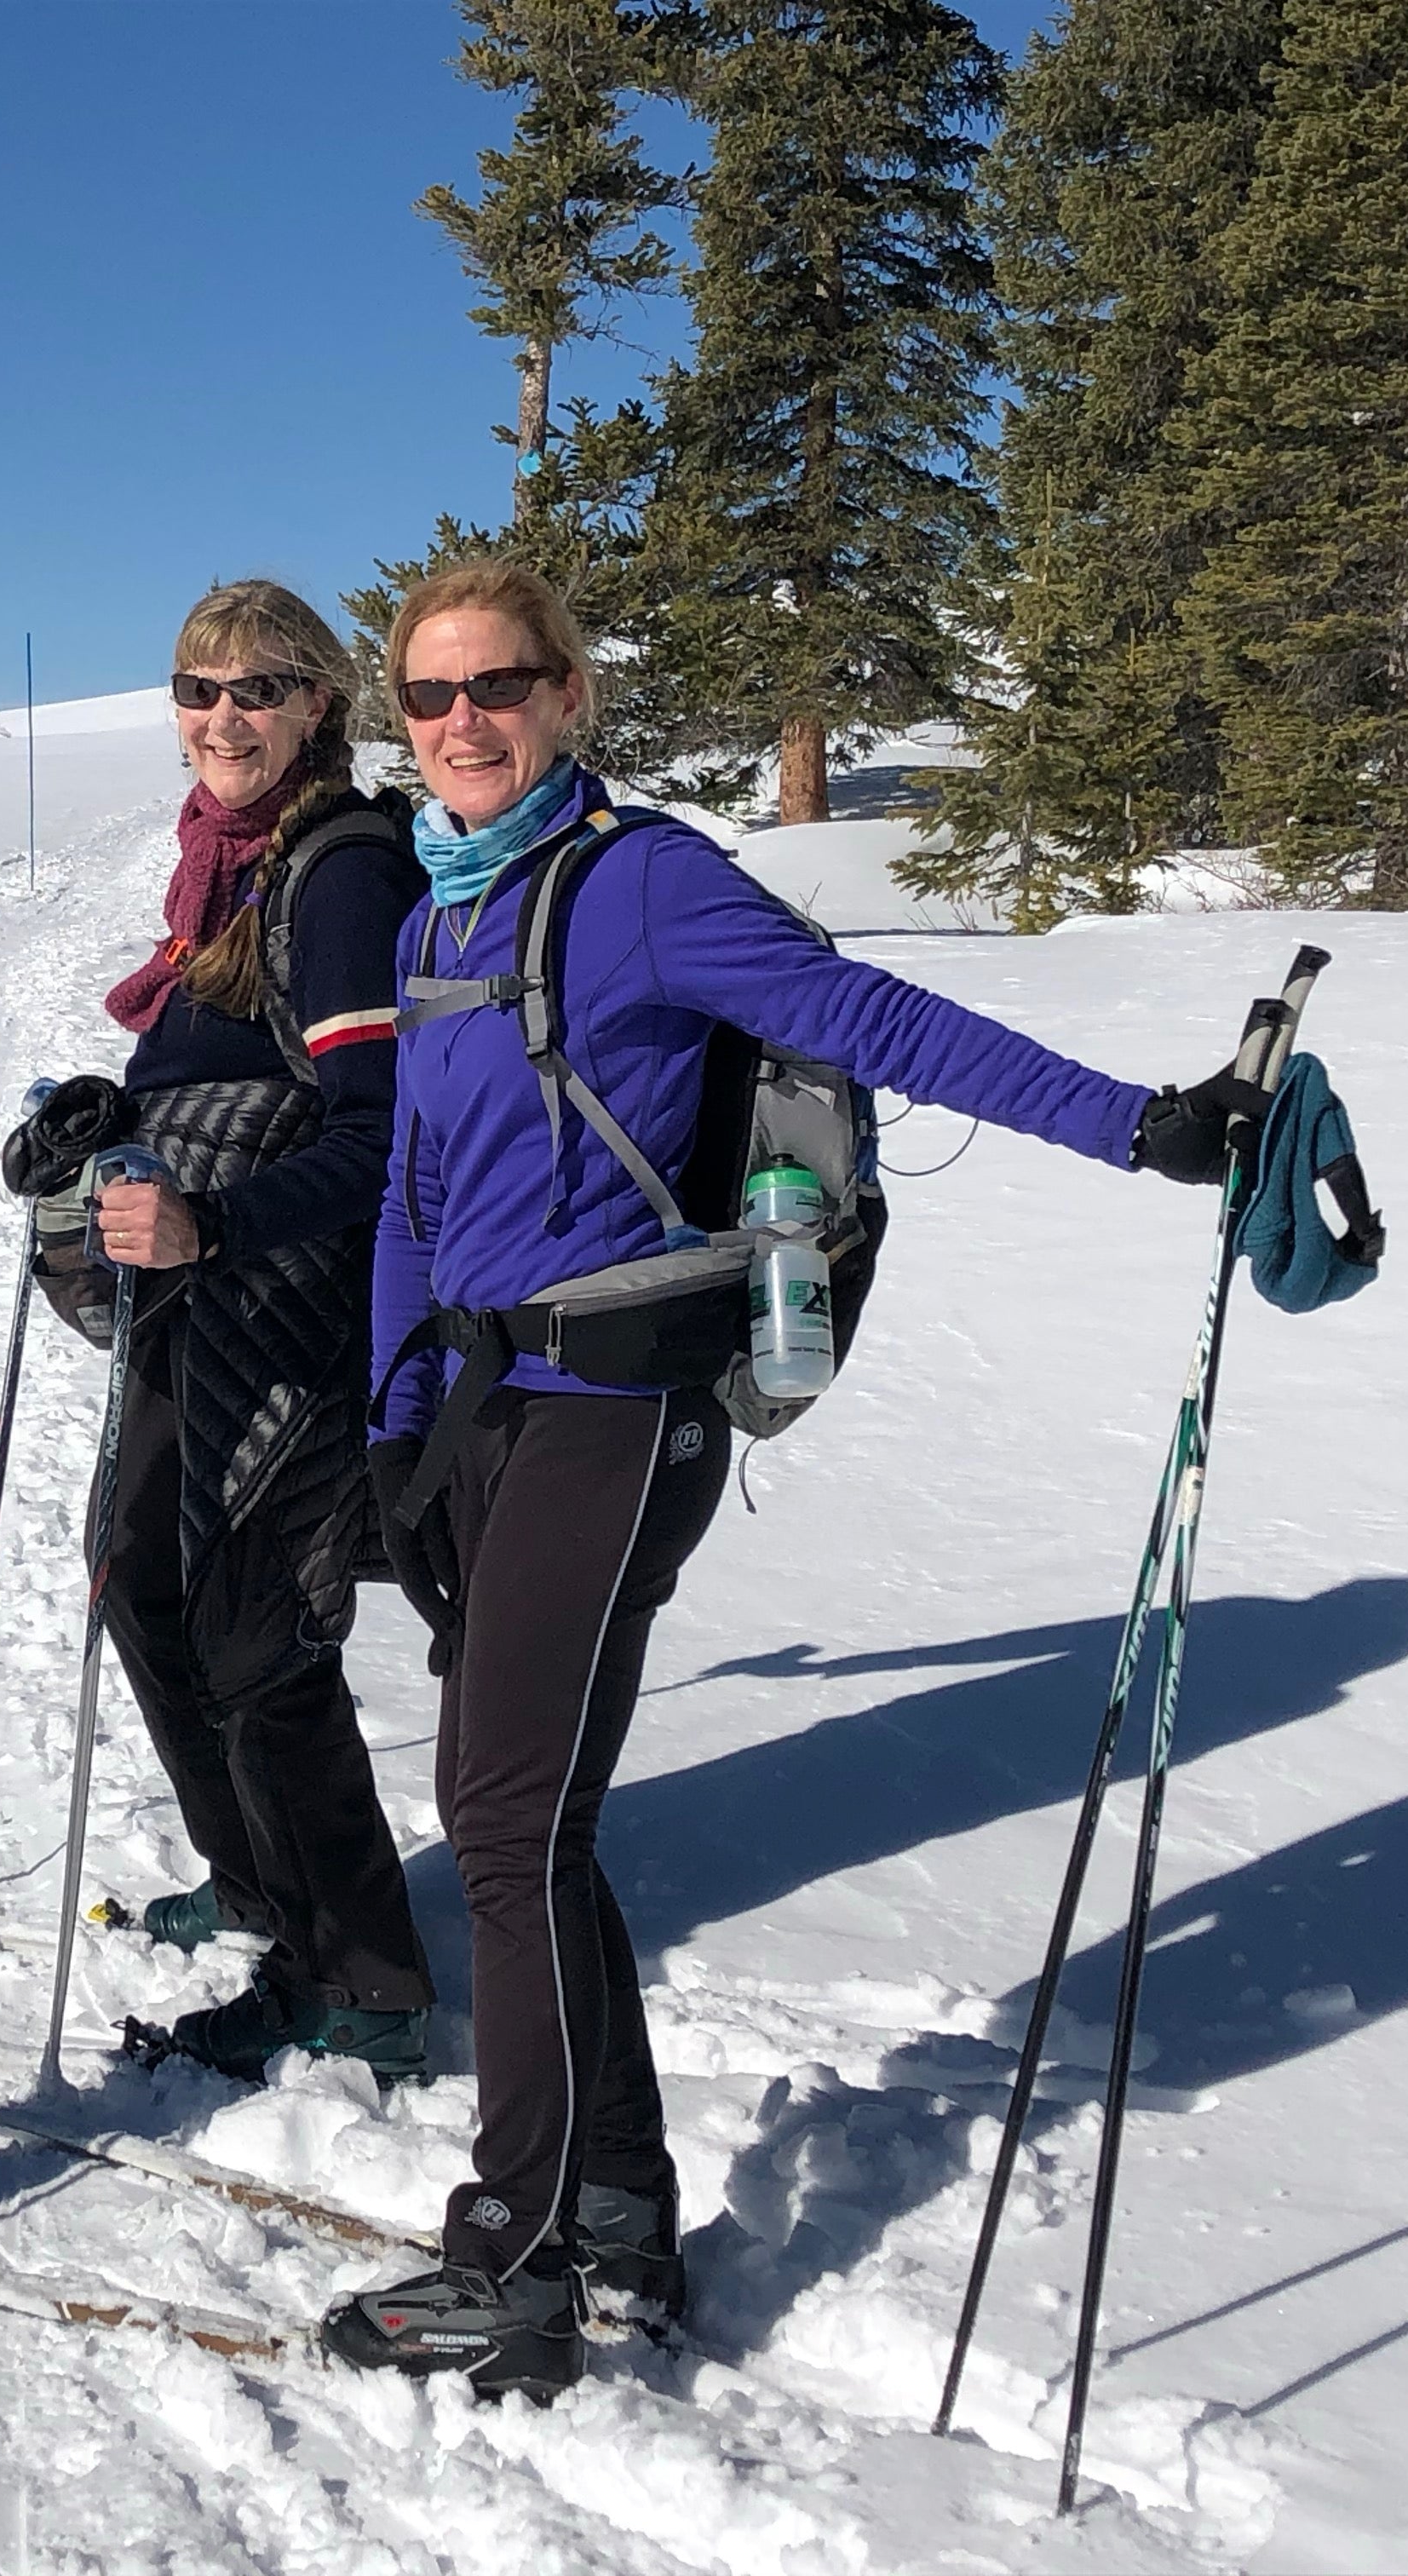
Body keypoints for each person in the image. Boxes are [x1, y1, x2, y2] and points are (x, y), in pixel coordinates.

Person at [314, 558, 1265, 2401]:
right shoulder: (438, 918)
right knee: (534, 1828)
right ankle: (612, 2221)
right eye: (429, 698)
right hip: (484, 1417)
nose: (462, 722)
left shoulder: (646, 885)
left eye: (498, 684)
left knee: (502, 1830)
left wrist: (1140, 1126)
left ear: (572, 695)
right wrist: (386, 1427)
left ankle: (512, 2257)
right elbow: (414, 1201)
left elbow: (880, 1024)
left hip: (619, 1406)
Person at [6, 578, 440, 2085]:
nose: (224, 717)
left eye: (260, 688)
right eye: (198, 690)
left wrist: (218, 1224)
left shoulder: (341, 877)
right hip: (210, 1310)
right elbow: (234, 1068)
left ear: (319, 703)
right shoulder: (232, 872)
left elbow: (380, 1136)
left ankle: (362, 1973)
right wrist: (111, 1118)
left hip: (295, 1312)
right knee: (139, 1576)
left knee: (258, 1631)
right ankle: (260, 1884)